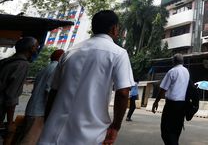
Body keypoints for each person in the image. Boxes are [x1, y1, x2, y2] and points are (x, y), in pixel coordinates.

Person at [38, 10, 135, 145]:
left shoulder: (69, 52)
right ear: (114, 29)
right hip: (89, 135)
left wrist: (48, 120)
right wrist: (115, 127)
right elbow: (123, 93)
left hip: (51, 133)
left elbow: (53, 91)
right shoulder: (118, 53)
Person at [18, 49, 64, 145]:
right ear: (61, 57)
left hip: (32, 109)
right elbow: (49, 91)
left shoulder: (46, 68)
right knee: (30, 141)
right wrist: (49, 113)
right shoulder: (56, 68)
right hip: (40, 112)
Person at [0, 37, 39, 138]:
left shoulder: (6, 61)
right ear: (31, 48)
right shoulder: (22, 65)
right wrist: (9, 123)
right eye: (36, 46)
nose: (37, 48)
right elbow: (11, 96)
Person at [152, 54, 189, 145]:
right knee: (176, 131)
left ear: (173, 61)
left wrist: (156, 102)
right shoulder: (186, 71)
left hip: (171, 105)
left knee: (166, 131)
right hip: (182, 106)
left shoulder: (172, 71)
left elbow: (163, 89)